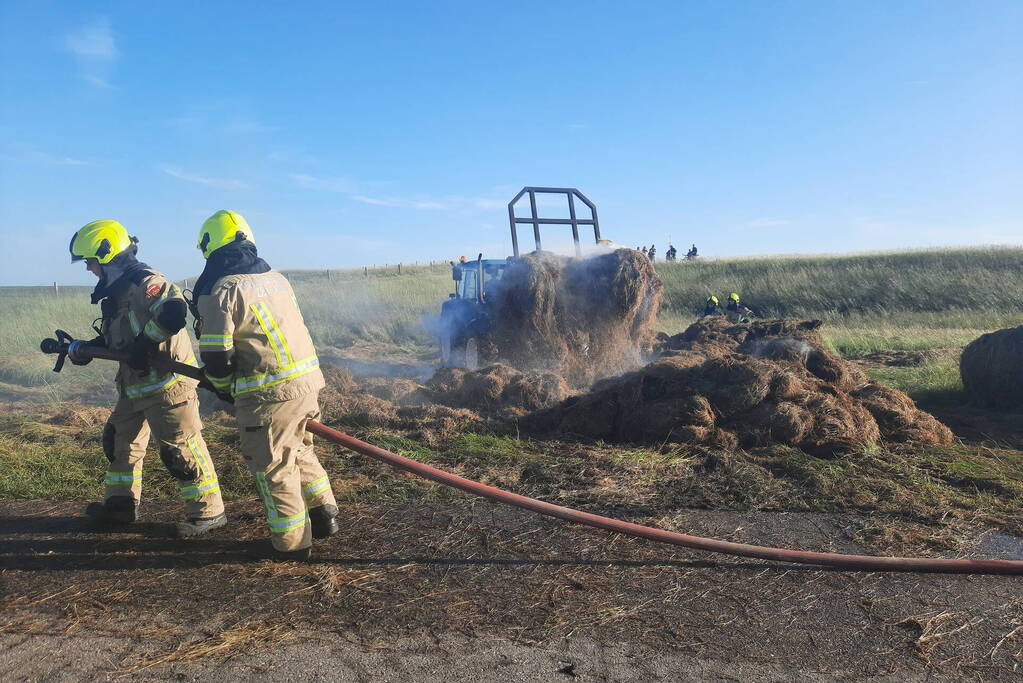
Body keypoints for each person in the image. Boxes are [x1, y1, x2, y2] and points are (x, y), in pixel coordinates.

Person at [191, 210, 338, 561]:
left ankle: (291, 545)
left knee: (273, 464)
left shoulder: (223, 290)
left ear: (211, 248)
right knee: (300, 448)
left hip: (268, 393)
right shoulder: (276, 278)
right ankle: (323, 513)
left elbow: (215, 354)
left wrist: (222, 385)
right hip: (307, 381)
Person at [67, 220, 226, 537]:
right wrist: (86, 349)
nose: (88, 268)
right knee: (119, 444)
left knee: (180, 452)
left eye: (90, 261)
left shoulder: (146, 282)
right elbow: (123, 341)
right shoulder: (118, 292)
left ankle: (209, 513)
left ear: (107, 253)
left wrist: (145, 344)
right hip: (133, 386)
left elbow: (173, 313)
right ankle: (120, 507)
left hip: (168, 386)